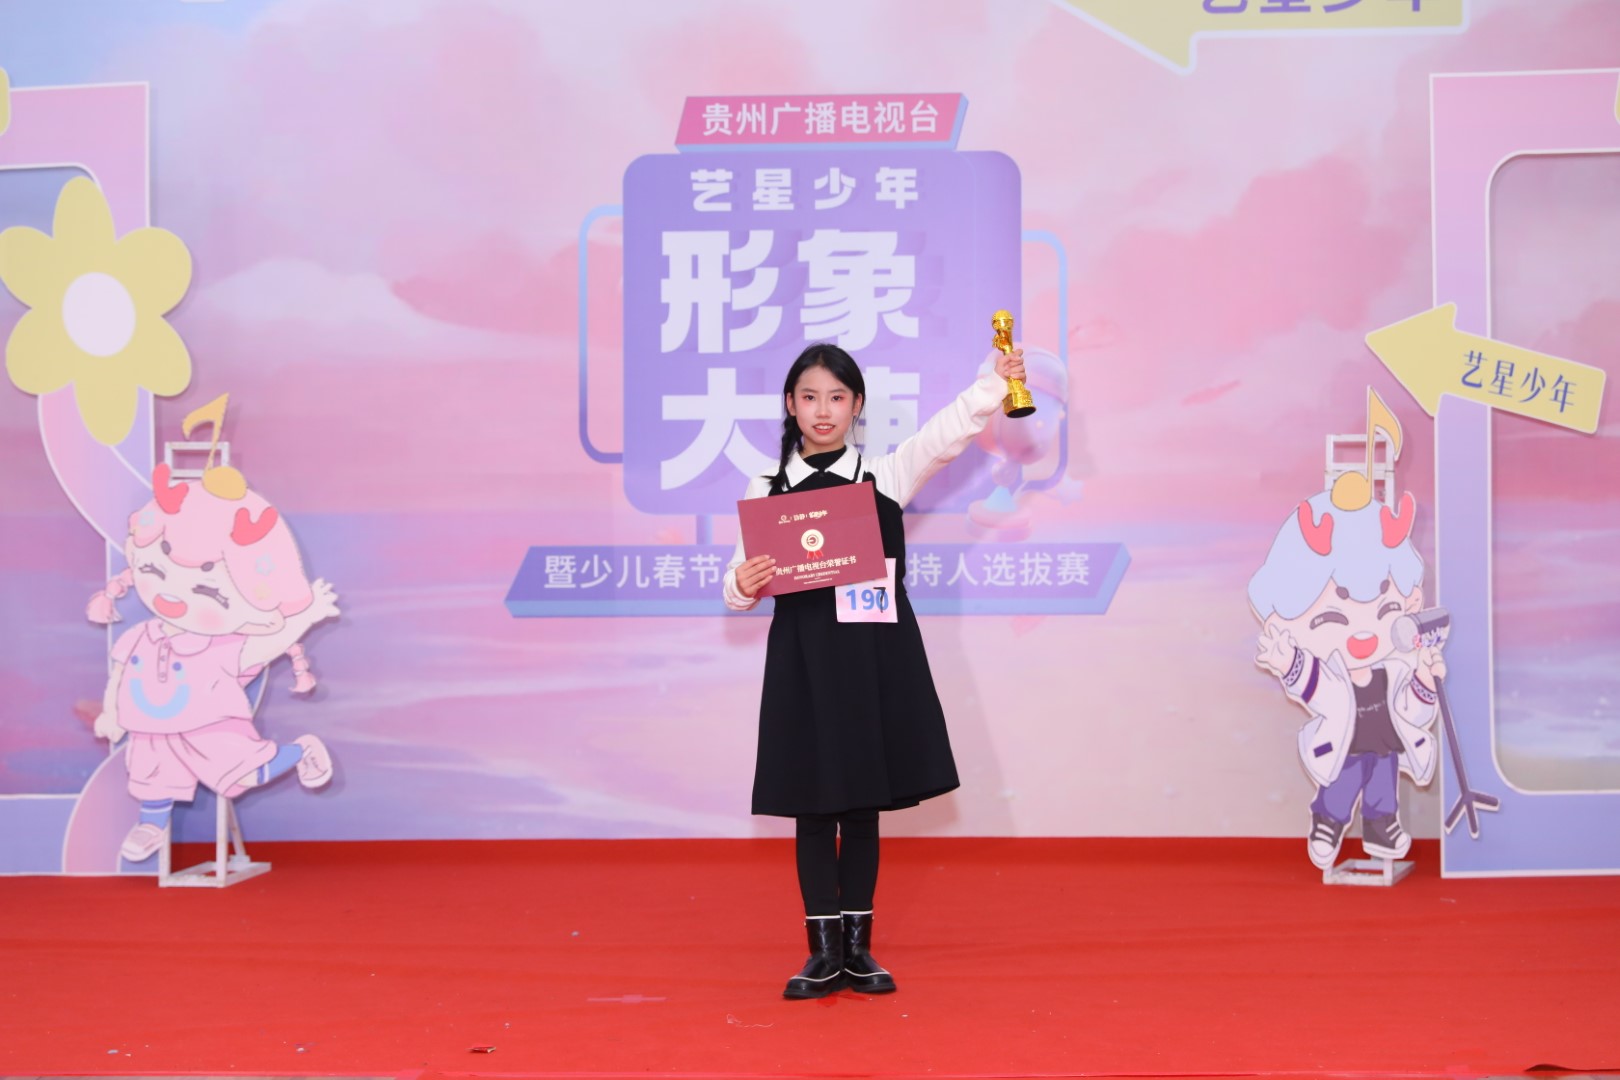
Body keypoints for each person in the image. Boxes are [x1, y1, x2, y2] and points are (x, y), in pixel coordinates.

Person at [722, 340, 1026, 997]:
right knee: (813, 806)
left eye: (836, 397)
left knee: (862, 806)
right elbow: (737, 579)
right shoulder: (767, 487)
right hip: (804, 663)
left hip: (873, 660)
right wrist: (742, 585)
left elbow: (946, 435)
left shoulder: (884, 476)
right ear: (790, 405)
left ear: (856, 405)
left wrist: (993, 385)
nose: (822, 410)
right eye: (810, 397)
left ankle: (858, 950)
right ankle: (822, 953)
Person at [86, 463, 341, 862]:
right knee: (152, 777)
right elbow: (119, 675)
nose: (173, 597)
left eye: (208, 591)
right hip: (150, 729)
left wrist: (305, 617)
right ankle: (151, 823)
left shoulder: (223, 647)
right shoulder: (140, 636)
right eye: (154, 570)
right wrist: (111, 713)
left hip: (211, 728)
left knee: (243, 772)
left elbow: (267, 646)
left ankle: (299, 751)